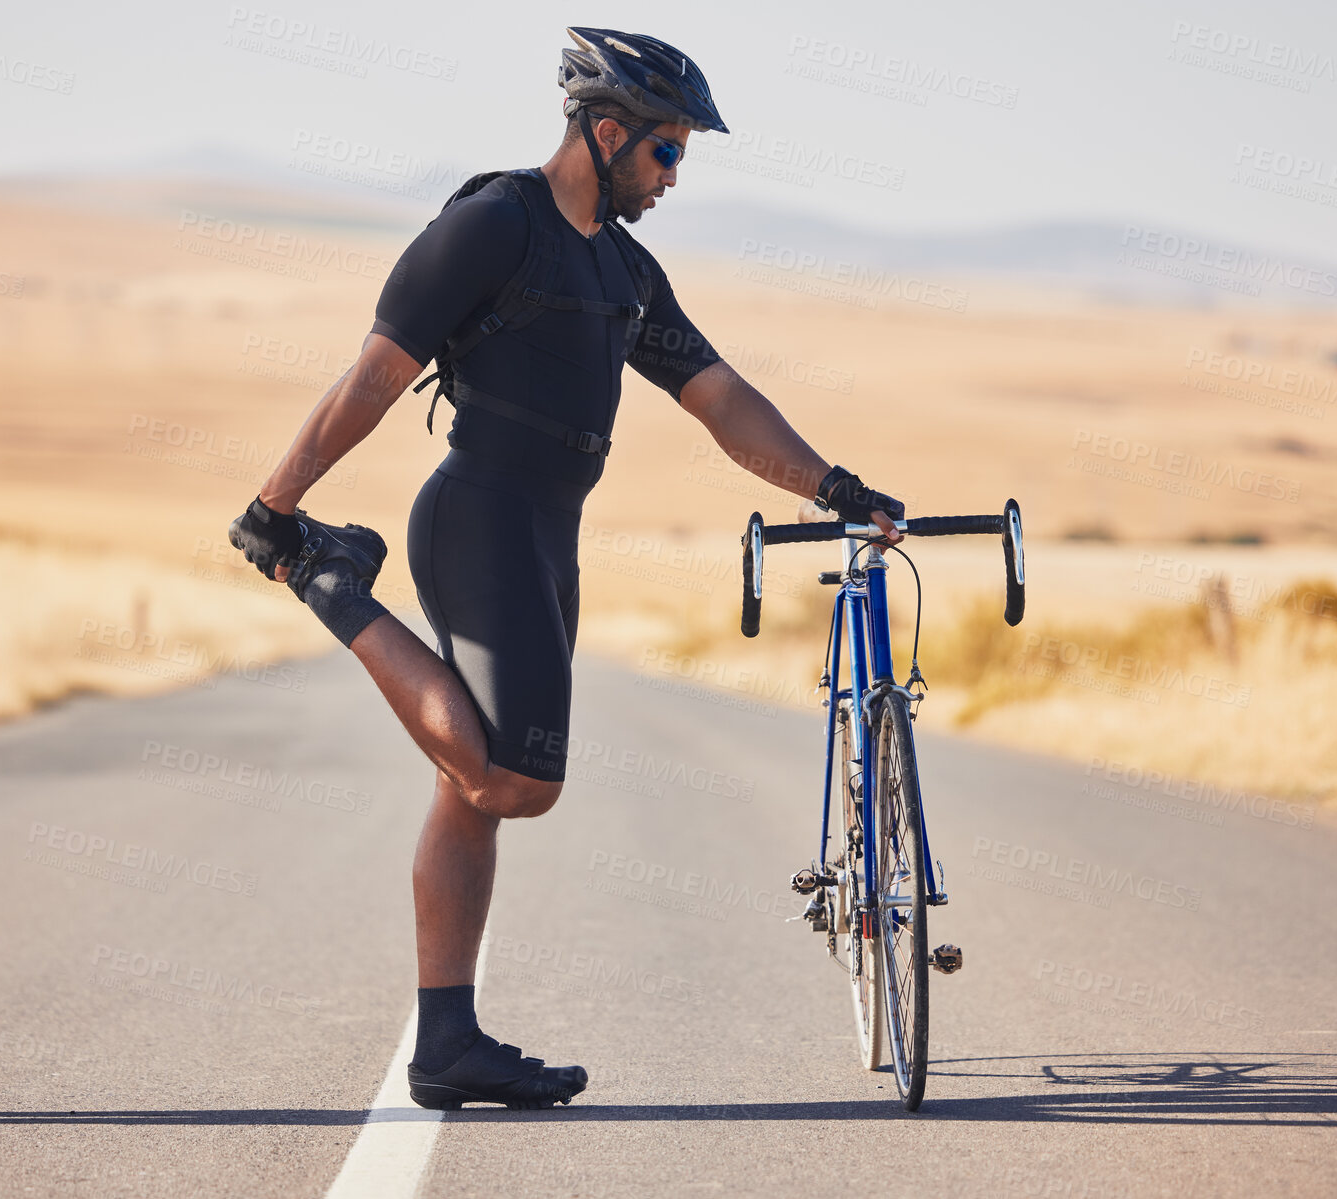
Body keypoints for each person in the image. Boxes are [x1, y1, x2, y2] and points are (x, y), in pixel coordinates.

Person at [228, 26, 905, 1111]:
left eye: (680, 154)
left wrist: (832, 485)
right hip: (478, 515)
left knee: (473, 789)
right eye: (666, 153)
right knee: (512, 779)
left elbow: (719, 399)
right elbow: (371, 375)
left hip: (552, 536)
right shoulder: (491, 227)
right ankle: (330, 582)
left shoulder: (623, 267)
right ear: (604, 130)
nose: (673, 176)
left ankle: (447, 1040)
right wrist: (277, 504)